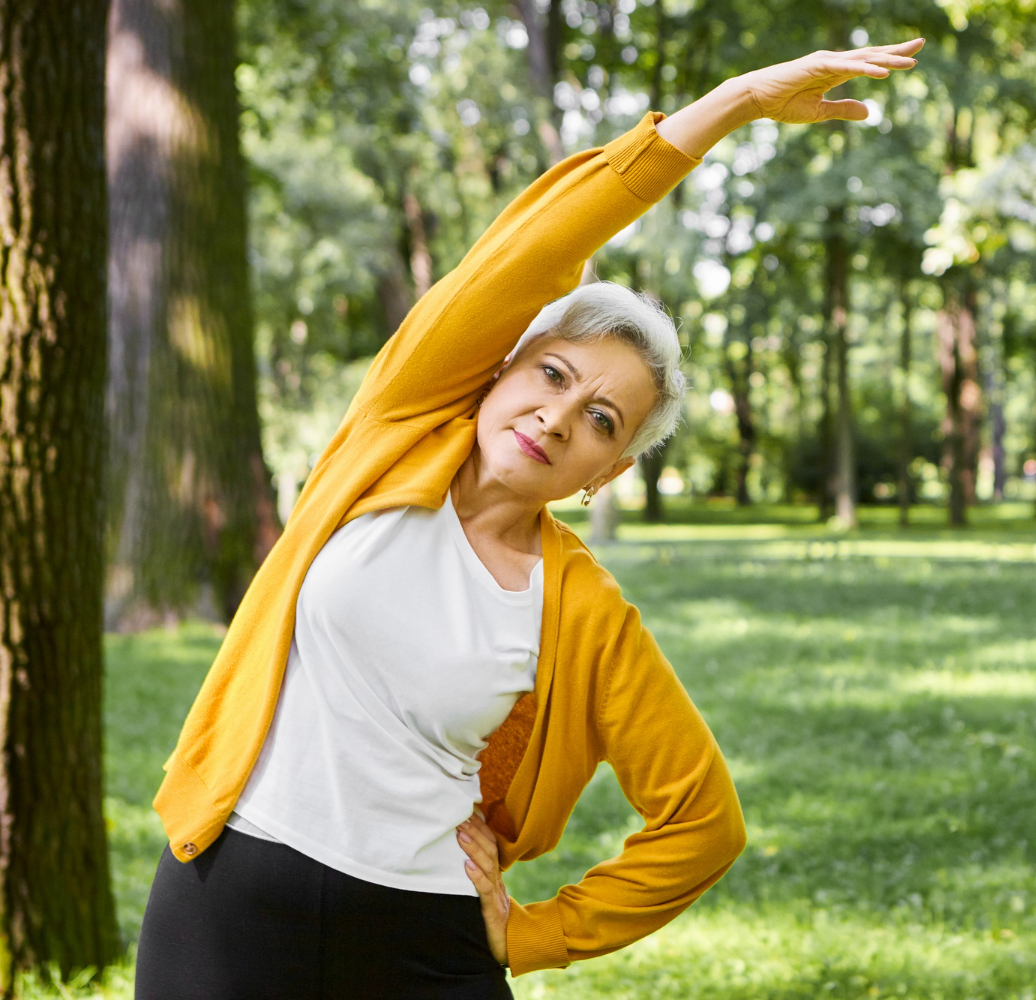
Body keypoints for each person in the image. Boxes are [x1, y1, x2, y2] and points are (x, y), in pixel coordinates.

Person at [133, 38, 923, 1000]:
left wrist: (542, 933)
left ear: (609, 469)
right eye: (550, 374)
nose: (556, 416)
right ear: (499, 368)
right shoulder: (394, 433)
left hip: (423, 934)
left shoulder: (580, 609)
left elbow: (704, 825)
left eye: (600, 418)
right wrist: (734, 102)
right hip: (230, 902)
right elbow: (542, 245)